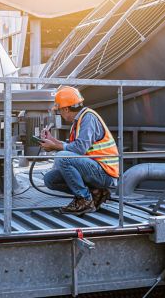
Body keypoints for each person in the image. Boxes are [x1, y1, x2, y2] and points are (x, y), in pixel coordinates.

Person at [39, 86, 119, 215]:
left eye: (59, 111)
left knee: (62, 157)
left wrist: (55, 147)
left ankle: (84, 200)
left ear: (65, 108)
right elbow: (74, 149)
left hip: (104, 173)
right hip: (94, 168)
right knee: (50, 179)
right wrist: (54, 141)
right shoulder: (79, 120)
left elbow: (79, 149)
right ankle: (96, 192)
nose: (60, 114)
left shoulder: (88, 118)